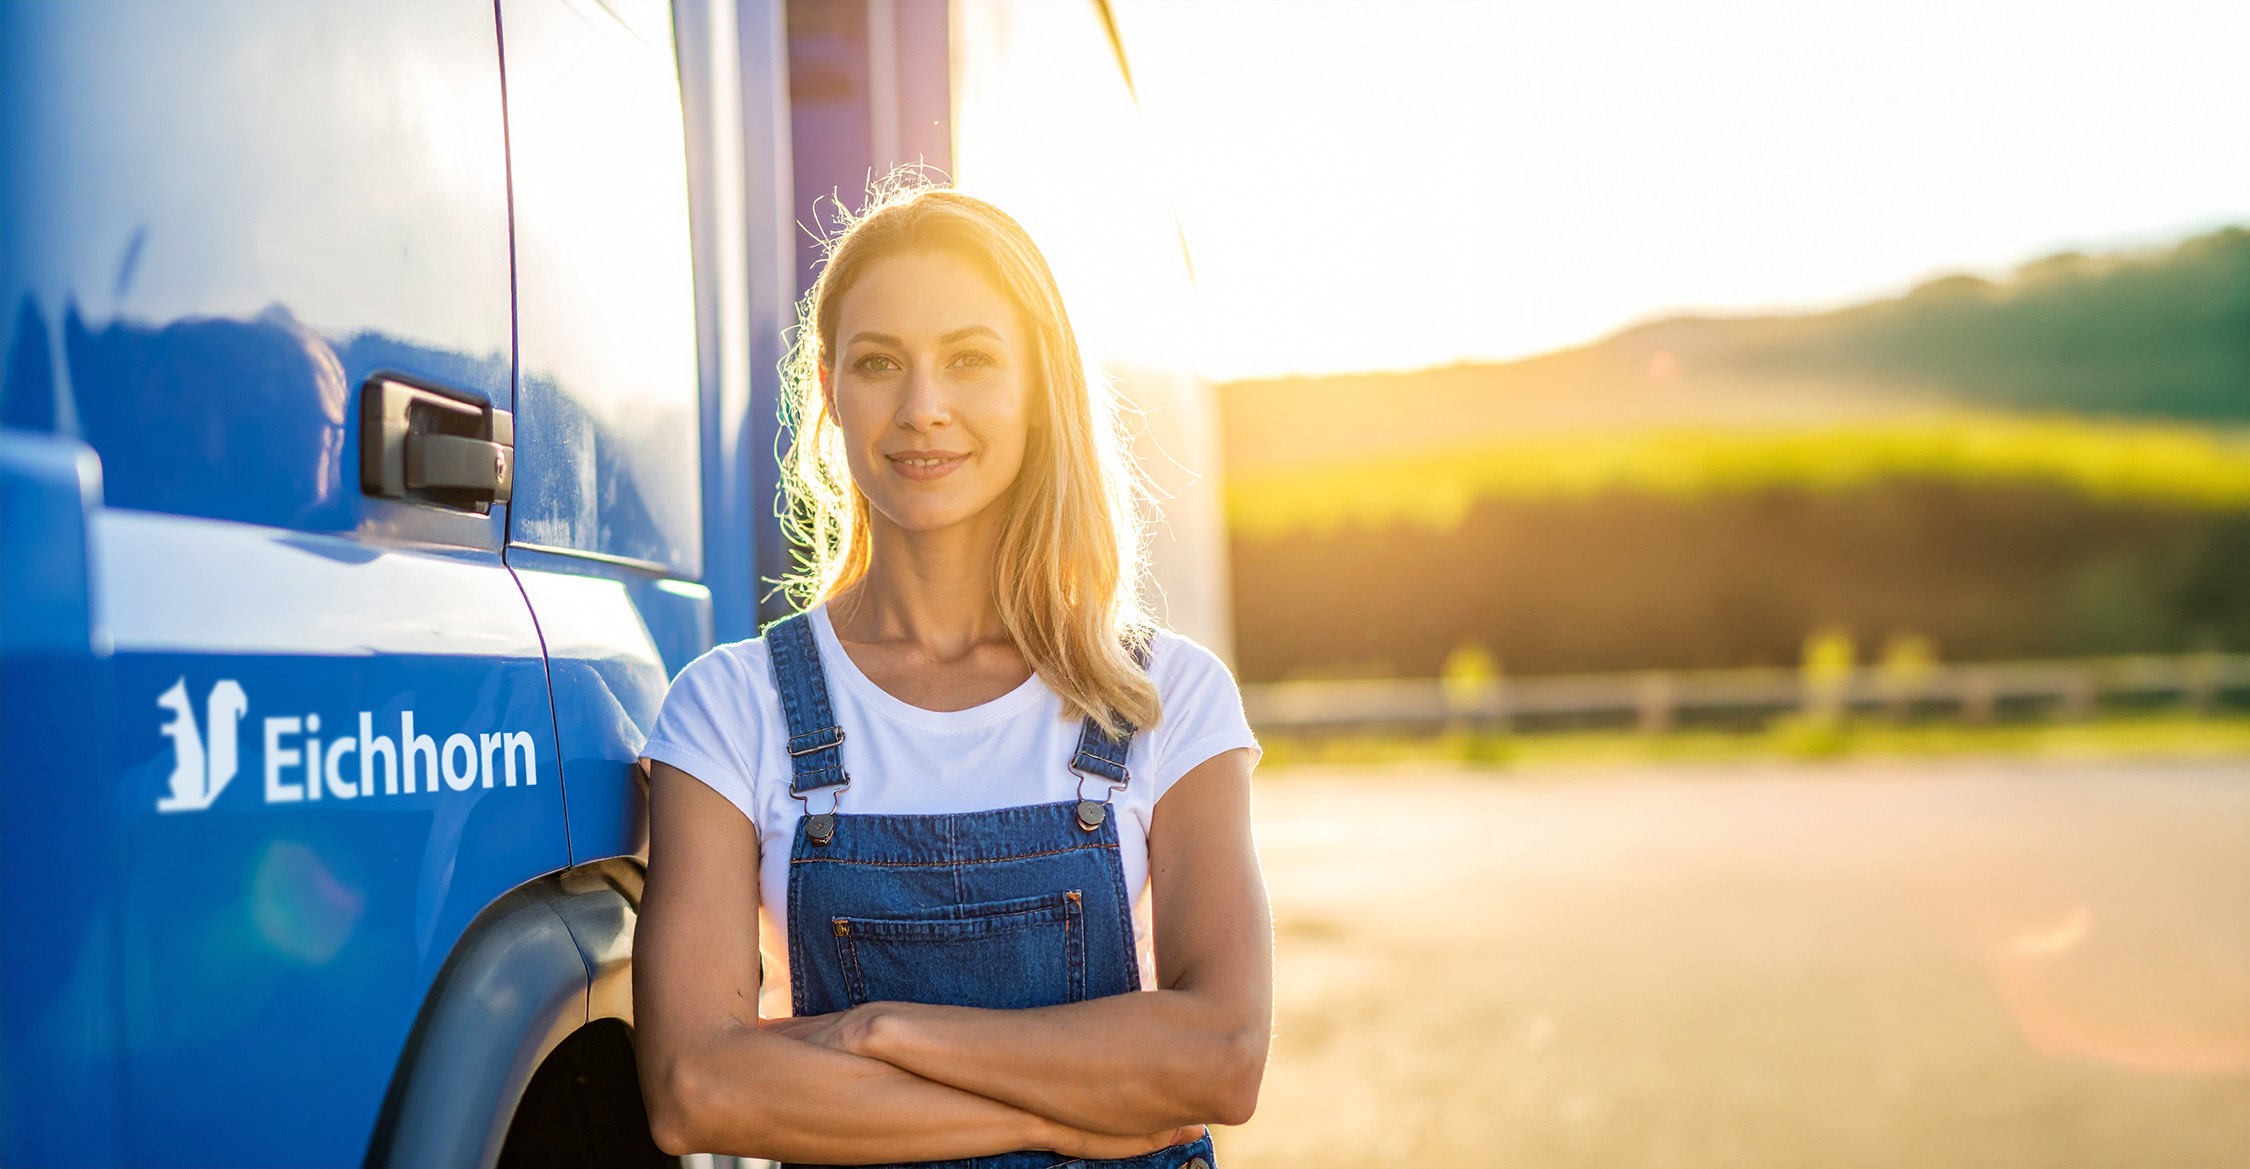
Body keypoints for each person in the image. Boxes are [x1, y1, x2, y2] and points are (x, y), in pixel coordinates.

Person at [633, 183, 1270, 1169]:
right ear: (831, 389)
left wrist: (877, 1032)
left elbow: (1221, 1058)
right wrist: (1058, 1118)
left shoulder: (1166, 699)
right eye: (880, 361)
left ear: (1036, 388)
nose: (922, 408)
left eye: (970, 359)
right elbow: (696, 1090)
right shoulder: (730, 709)